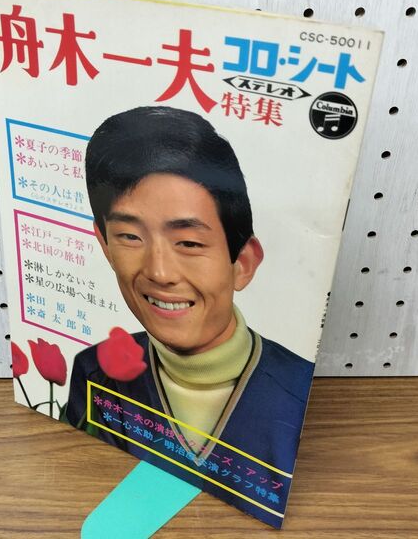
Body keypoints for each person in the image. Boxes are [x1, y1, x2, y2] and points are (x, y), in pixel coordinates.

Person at [63, 106, 313, 526]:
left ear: (243, 262)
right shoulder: (95, 372)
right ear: (104, 244)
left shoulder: (298, 391)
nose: (159, 272)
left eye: (189, 243)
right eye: (130, 236)